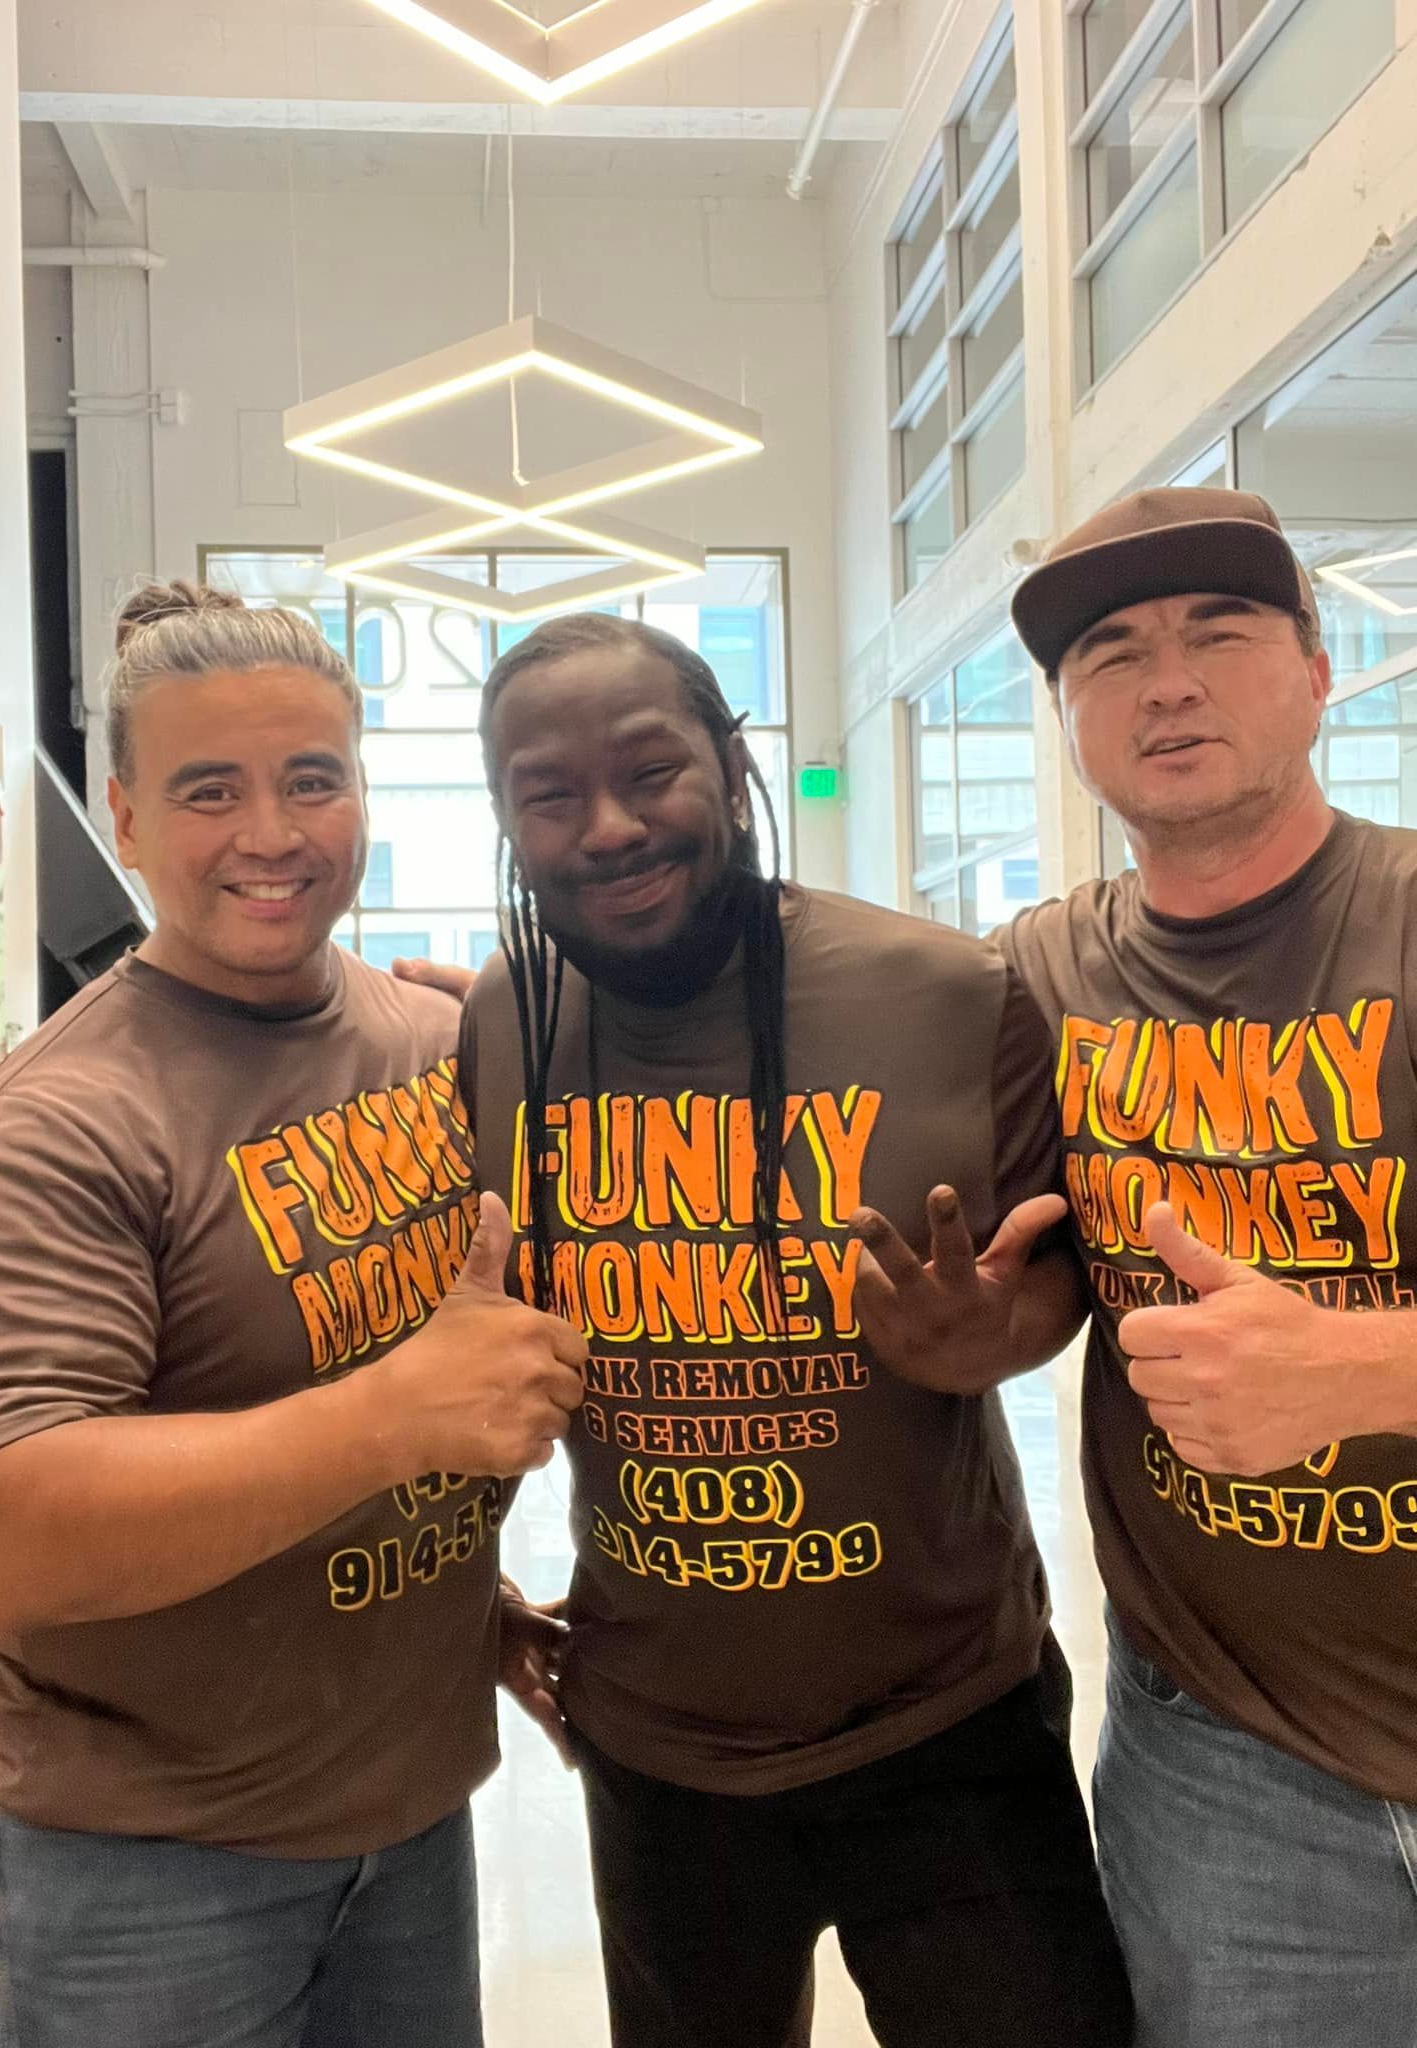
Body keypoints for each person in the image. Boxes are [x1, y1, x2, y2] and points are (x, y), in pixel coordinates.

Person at [0, 581, 586, 2048]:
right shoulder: (58, 1132)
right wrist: (398, 1417)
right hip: (140, 1873)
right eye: (210, 791)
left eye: (311, 780)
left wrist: (469, 1610)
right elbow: (15, 1540)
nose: (271, 833)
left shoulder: (439, 1048)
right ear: (127, 822)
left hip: (404, 1817)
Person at [452, 611, 1133, 2047]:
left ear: (733, 761)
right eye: (548, 794)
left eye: (653, 769)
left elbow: (1055, 1272)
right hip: (656, 1746)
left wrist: (990, 1338)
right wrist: (454, 1583)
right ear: (507, 821)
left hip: (949, 1724)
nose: (611, 826)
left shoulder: (947, 994)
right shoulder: (501, 1026)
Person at [993, 486, 1417, 2045]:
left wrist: (1375, 1368)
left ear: (1317, 670)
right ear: (1070, 723)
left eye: (1216, 633)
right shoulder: (1041, 969)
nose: (1164, 680)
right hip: (1230, 1761)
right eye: (1109, 654)